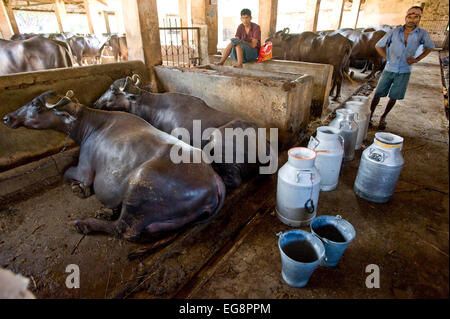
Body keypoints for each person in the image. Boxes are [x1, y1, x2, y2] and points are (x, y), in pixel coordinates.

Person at [369, 6, 435, 130]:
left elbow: (430, 47)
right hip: (389, 68)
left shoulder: (422, 34)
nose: (412, 19)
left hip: (404, 70)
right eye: (410, 16)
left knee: (394, 96)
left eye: (416, 17)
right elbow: (379, 45)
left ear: (419, 19)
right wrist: (387, 58)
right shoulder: (394, 32)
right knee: (377, 94)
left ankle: (383, 117)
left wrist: (417, 59)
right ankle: (370, 115)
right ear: (406, 17)